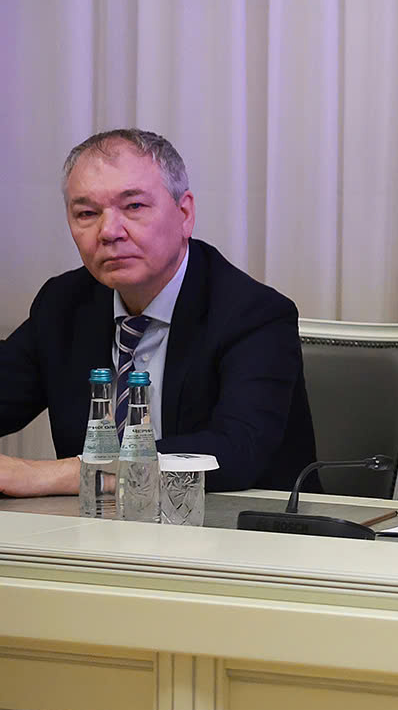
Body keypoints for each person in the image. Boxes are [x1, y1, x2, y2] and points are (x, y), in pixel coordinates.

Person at [0, 129, 318, 494]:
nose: (109, 231)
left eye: (134, 207)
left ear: (184, 214)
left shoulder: (254, 314)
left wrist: (64, 474)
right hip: (93, 524)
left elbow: (235, 452)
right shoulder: (64, 304)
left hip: (238, 522)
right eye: (86, 213)